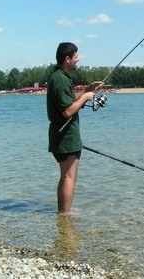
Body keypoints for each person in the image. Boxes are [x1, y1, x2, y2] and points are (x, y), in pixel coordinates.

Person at [46, 42, 102, 214]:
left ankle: (64, 211)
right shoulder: (61, 79)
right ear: (67, 59)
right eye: (76, 56)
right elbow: (67, 111)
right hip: (65, 137)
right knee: (69, 176)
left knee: (66, 176)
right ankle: (64, 214)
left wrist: (86, 90)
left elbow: (68, 100)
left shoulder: (59, 76)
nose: (78, 59)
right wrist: (85, 96)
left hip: (62, 135)